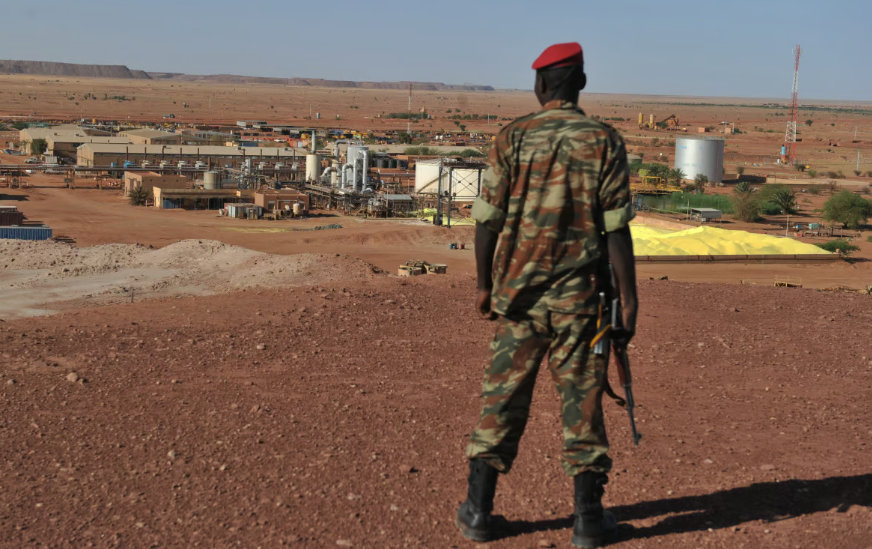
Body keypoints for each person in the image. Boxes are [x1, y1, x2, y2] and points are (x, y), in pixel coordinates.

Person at [455, 42, 638, 548]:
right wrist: (630, 299)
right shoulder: (605, 141)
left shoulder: (512, 138)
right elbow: (616, 230)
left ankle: (476, 512)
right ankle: (587, 521)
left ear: (539, 86)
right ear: (580, 82)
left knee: (503, 400)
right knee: (581, 405)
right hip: (582, 302)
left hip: (518, 298)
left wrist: (484, 284)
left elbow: (486, 220)